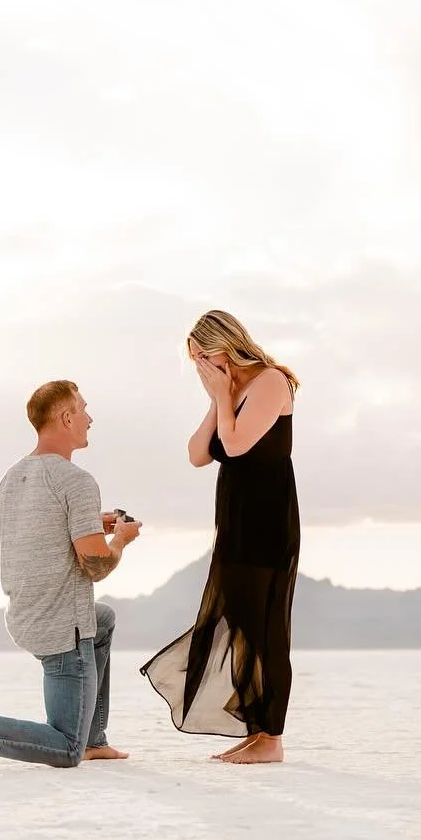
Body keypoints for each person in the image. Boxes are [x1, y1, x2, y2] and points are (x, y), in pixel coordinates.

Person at [0, 380, 142, 771]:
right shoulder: (77, 481)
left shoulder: (11, 478)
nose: (90, 418)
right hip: (62, 630)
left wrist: (91, 522)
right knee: (66, 748)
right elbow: (96, 565)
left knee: (103, 619)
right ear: (66, 418)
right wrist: (120, 541)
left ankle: (94, 738)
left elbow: (41, 529)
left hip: (27, 616)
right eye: (83, 409)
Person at [140, 309, 301, 764]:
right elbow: (197, 454)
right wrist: (218, 399)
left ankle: (272, 738)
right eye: (194, 360)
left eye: (203, 356)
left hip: (267, 522)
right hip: (235, 524)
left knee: (265, 629)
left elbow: (234, 445)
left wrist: (223, 397)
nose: (200, 367)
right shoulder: (228, 394)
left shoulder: (270, 381)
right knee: (243, 623)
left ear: (225, 347)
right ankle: (257, 730)